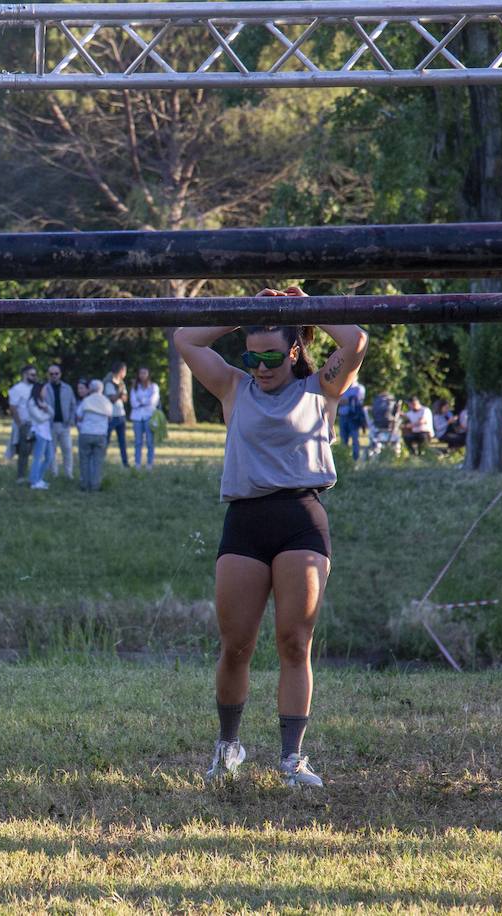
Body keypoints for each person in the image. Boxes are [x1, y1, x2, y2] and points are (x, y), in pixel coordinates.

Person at [174, 286, 368, 789]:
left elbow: (357, 340)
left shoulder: (319, 390)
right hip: (246, 520)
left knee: (293, 641)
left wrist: (308, 306)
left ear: (295, 351)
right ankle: (228, 746)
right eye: (253, 356)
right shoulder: (234, 387)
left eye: (272, 356)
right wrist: (239, 312)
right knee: (236, 644)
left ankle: (291, 759)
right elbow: (185, 340)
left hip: (300, 517)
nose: (261, 366)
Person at [75, 380, 113, 492]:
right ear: (102, 389)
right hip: (101, 434)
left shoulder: (86, 401)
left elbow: (78, 416)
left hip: (86, 433)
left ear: (90, 389)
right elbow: (110, 417)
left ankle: (84, 484)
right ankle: (95, 485)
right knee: (97, 461)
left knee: (84, 460)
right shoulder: (106, 401)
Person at [45, 363, 77, 478]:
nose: (54, 375)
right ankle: (54, 473)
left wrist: (71, 420)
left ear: (60, 374)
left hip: (64, 425)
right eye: (51, 374)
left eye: (56, 373)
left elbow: (73, 405)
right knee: (51, 451)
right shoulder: (44, 389)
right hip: (50, 425)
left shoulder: (67, 388)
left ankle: (69, 473)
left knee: (67, 450)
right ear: (48, 375)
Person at [7, 364, 37, 480]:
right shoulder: (17, 389)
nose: (34, 377)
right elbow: (13, 407)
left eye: (35, 375)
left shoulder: (35, 388)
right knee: (24, 451)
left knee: (35, 451)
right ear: (25, 375)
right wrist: (19, 423)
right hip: (25, 423)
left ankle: (34, 475)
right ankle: (21, 476)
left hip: (36, 423)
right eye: (32, 375)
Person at [129, 367, 161, 470]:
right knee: (138, 441)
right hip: (137, 417)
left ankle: (149, 463)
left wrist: (141, 401)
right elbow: (133, 403)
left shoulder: (153, 387)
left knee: (150, 441)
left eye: (144, 373)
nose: (142, 375)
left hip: (149, 416)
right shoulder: (135, 387)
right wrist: (145, 401)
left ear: (148, 374)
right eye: (140, 373)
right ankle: (137, 463)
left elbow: (153, 401)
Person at [26, 382, 54, 490]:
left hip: (47, 434)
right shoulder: (32, 402)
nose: (46, 392)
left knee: (49, 457)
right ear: (39, 390)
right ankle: (34, 481)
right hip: (39, 433)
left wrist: (46, 409)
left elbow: (52, 412)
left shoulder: (43, 402)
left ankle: (39, 478)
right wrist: (47, 413)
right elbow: (39, 418)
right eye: (44, 390)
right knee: (38, 458)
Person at [102, 361, 130, 468]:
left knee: (122, 441)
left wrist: (121, 394)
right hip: (111, 416)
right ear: (121, 371)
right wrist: (120, 394)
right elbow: (112, 398)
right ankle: (101, 460)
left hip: (121, 415)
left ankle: (125, 462)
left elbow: (125, 398)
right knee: (106, 440)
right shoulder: (109, 382)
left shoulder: (121, 383)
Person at [336, 379, 366, 461]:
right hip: (343, 416)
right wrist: (347, 400)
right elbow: (337, 400)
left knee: (355, 439)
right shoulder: (343, 388)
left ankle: (355, 459)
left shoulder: (359, 388)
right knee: (343, 439)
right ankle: (343, 459)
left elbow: (356, 400)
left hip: (353, 417)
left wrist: (345, 400)